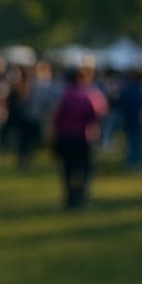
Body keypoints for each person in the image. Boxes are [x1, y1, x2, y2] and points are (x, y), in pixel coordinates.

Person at [51, 64, 108, 210]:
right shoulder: (91, 95)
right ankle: (80, 195)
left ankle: (70, 197)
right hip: (83, 136)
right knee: (83, 168)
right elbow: (98, 114)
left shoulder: (65, 94)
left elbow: (57, 117)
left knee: (68, 168)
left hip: (65, 136)